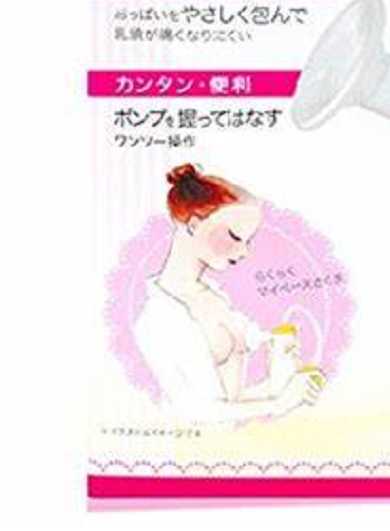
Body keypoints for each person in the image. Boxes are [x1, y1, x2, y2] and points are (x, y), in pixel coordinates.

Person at [134, 164, 321, 423]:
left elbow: (230, 399)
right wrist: (278, 403)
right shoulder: (156, 318)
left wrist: (284, 383)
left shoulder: (215, 296)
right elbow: (195, 411)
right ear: (193, 224)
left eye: (247, 241)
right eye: (234, 236)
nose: (244, 252)